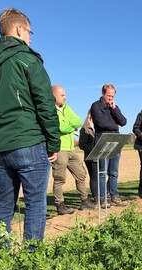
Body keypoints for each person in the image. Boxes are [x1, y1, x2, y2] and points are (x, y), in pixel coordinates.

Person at [0, 8, 60, 243]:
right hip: (30, 142)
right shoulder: (27, 58)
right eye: (30, 32)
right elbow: (45, 104)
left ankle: (0, 259)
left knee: (2, 206)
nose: (31, 37)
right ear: (19, 29)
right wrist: (53, 142)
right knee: (34, 204)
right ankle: (31, 259)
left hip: (0, 147)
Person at [51, 85, 95, 215]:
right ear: (54, 96)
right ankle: (60, 205)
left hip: (71, 149)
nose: (65, 97)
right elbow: (60, 127)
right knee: (59, 178)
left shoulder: (66, 108)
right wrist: (70, 127)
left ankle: (84, 200)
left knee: (81, 174)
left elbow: (77, 121)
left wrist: (68, 125)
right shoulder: (50, 110)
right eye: (62, 95)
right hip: (59, 149)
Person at [90, 84, 127, 208]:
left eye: (113, 96)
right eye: (108, 95)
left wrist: (114, 109)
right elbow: (101, 123)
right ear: (103, 94)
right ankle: (102, 198)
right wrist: (115, 126)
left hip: (116, 142)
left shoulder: (114, 108)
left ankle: (114, 196)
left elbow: (123, 121)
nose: (111, 98)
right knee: (102, 172)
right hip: (103, 142)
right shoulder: (96, 106)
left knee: (114, 172)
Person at [79, 110, 98, 203]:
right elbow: (81, 145)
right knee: (94, 177)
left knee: (100, 176)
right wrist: (94, 149)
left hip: (100, 156)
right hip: (90, 157)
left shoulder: (98, 126)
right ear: (90, 115)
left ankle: (103, 195)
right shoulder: (85, 128)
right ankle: (96, 197)